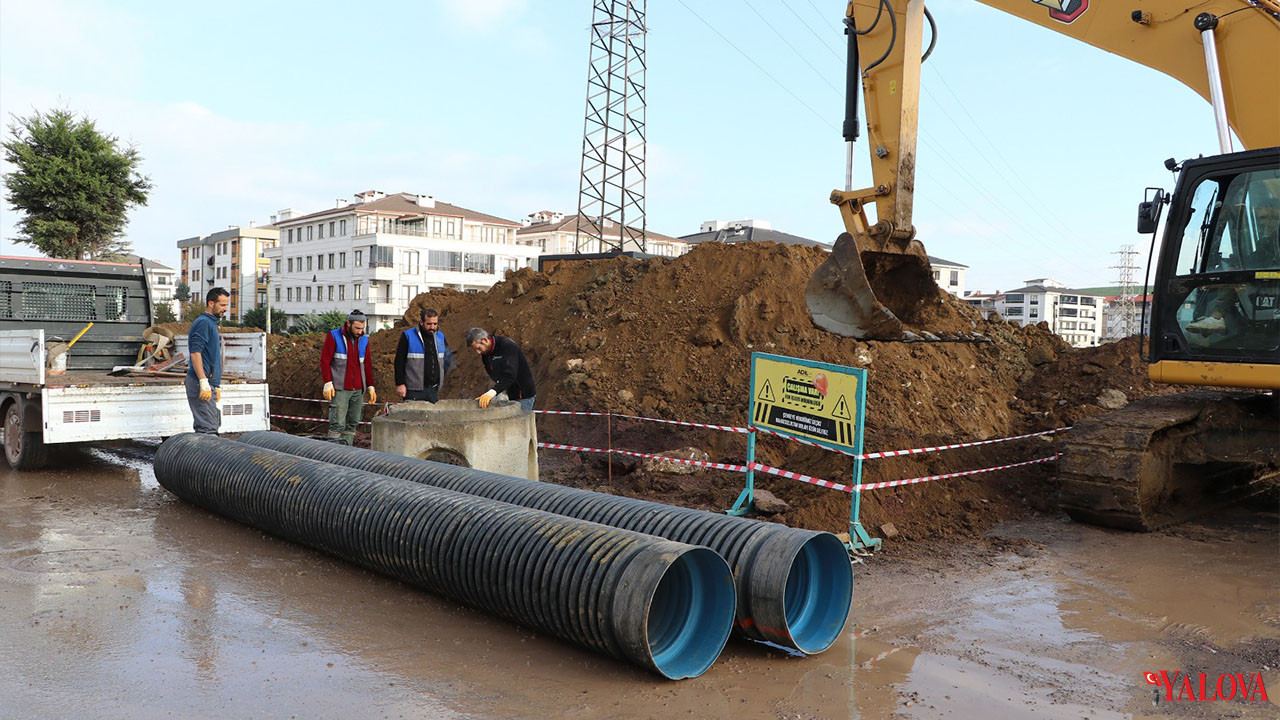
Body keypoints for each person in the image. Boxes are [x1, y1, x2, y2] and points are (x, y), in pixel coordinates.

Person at [320, 310, 376, 444]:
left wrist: (370, 386)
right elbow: (325, 361)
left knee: (352, 424)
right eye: (357, 328)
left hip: (358, 389)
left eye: (362, 328)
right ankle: (333, 452)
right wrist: (328, 382)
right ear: (348, 324)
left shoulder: (364, 340)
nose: (360, 331)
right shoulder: (334, 336)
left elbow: (367, 364)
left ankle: (347, 449)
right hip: (340, 388)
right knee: (337, 424)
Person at [186, 287, 228, 434]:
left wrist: (215, 384)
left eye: (226, 305)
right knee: (207, 428)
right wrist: (203, 381)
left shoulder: (210, 323)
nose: (225, 309)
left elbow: (211, 356)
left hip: (208, 383)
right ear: (211, 303)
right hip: (200, 382)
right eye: (222, 305)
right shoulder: (204, 323)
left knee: (212, 423)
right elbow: (195, 353)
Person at [465, 327, 536, 412]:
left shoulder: (507, 346)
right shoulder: (486, 354)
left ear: (485, 340)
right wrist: (500, 390)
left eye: (478, 348)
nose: (478, 352)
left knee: (517, 419)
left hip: (523, 394)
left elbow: (510, 375)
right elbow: (493, 373)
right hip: (508, 391)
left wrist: (492, 392)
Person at [394, 308, 451, 402]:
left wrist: (440, 376)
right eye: (429, 324)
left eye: (435, 324)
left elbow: (447, 359)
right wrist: (400, 383)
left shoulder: (440, 337)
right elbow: (399, 361)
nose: (432, 327)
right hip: (413, 390)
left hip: (433, 389)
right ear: (421, 322)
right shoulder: (408, 336)